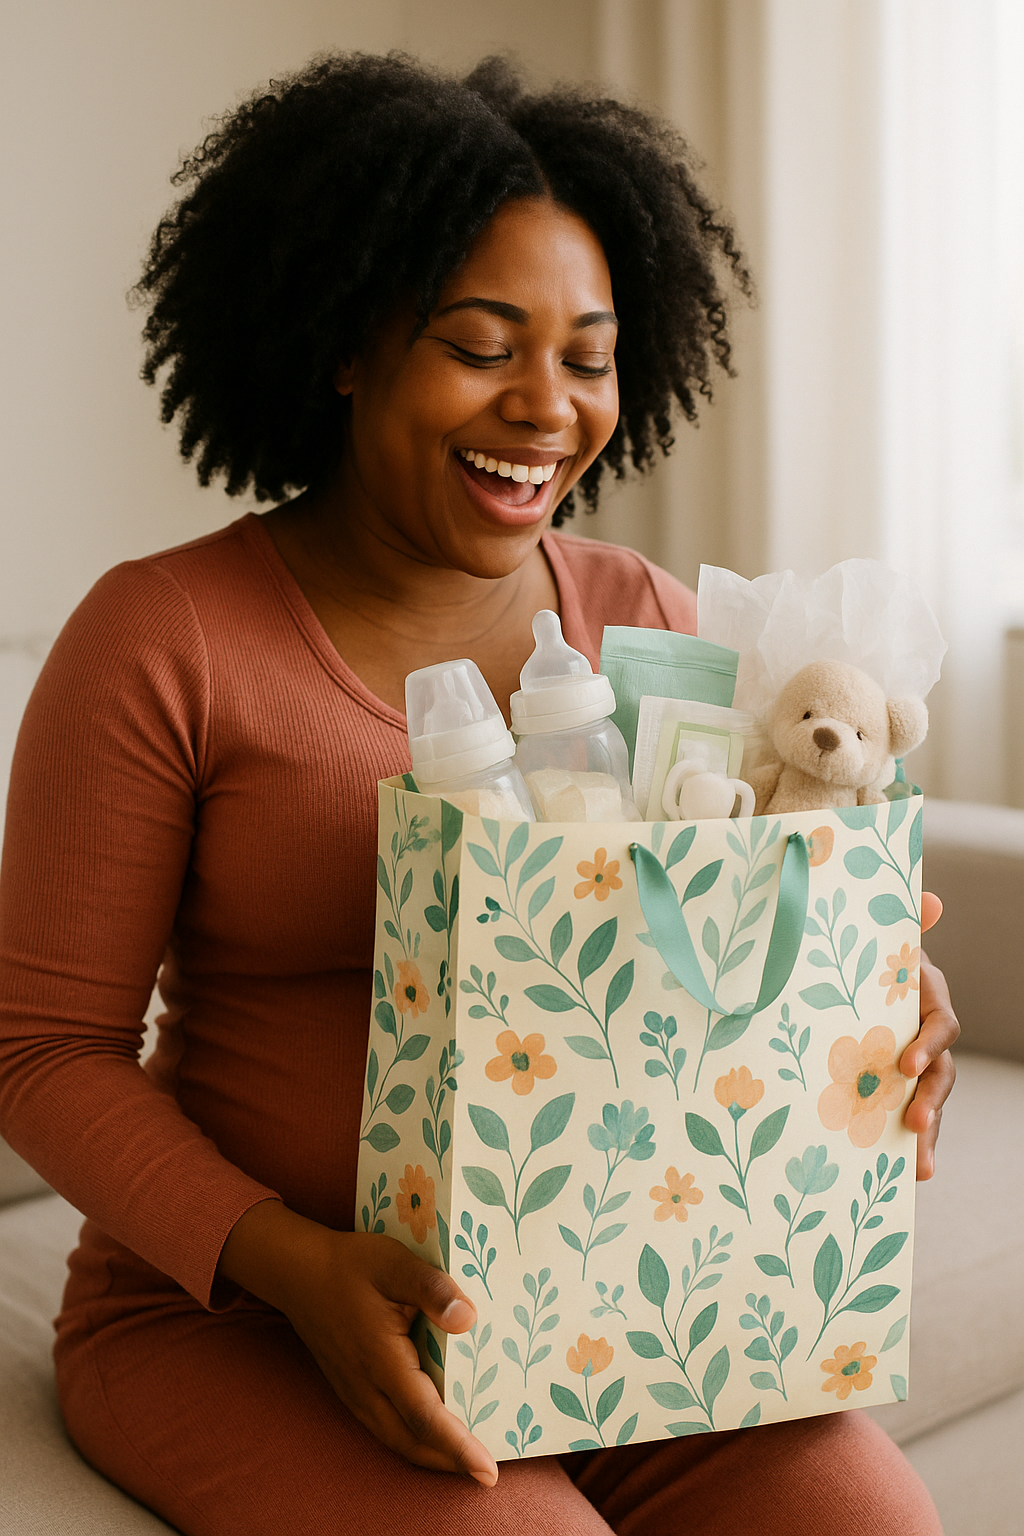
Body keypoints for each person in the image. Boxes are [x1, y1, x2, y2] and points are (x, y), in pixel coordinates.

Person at [0, 53, 955, 1536]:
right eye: (479, 343)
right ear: (341, 346)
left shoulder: (649, 628)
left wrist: (880, 1008)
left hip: (612, 1303)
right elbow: (43, 1052)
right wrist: (289, 1263)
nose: (547, 407)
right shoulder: (164, 637)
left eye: (589, 355)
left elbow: (725, 940)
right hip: (237, 1316)